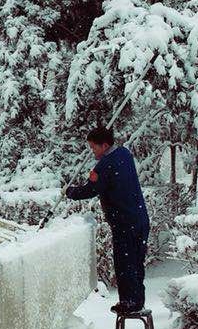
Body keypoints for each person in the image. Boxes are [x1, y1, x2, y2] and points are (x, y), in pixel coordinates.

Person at [64, 125, 150, 315]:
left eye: (94, 147)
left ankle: (129, 303)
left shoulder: (105, 165)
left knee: (124, 263)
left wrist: (69, 192)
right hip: (139, 218)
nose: (92, 151)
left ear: (104, 145)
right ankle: (137, 300)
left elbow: (91, 189)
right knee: (136, 262)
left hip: (124, 222)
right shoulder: (124, 154)